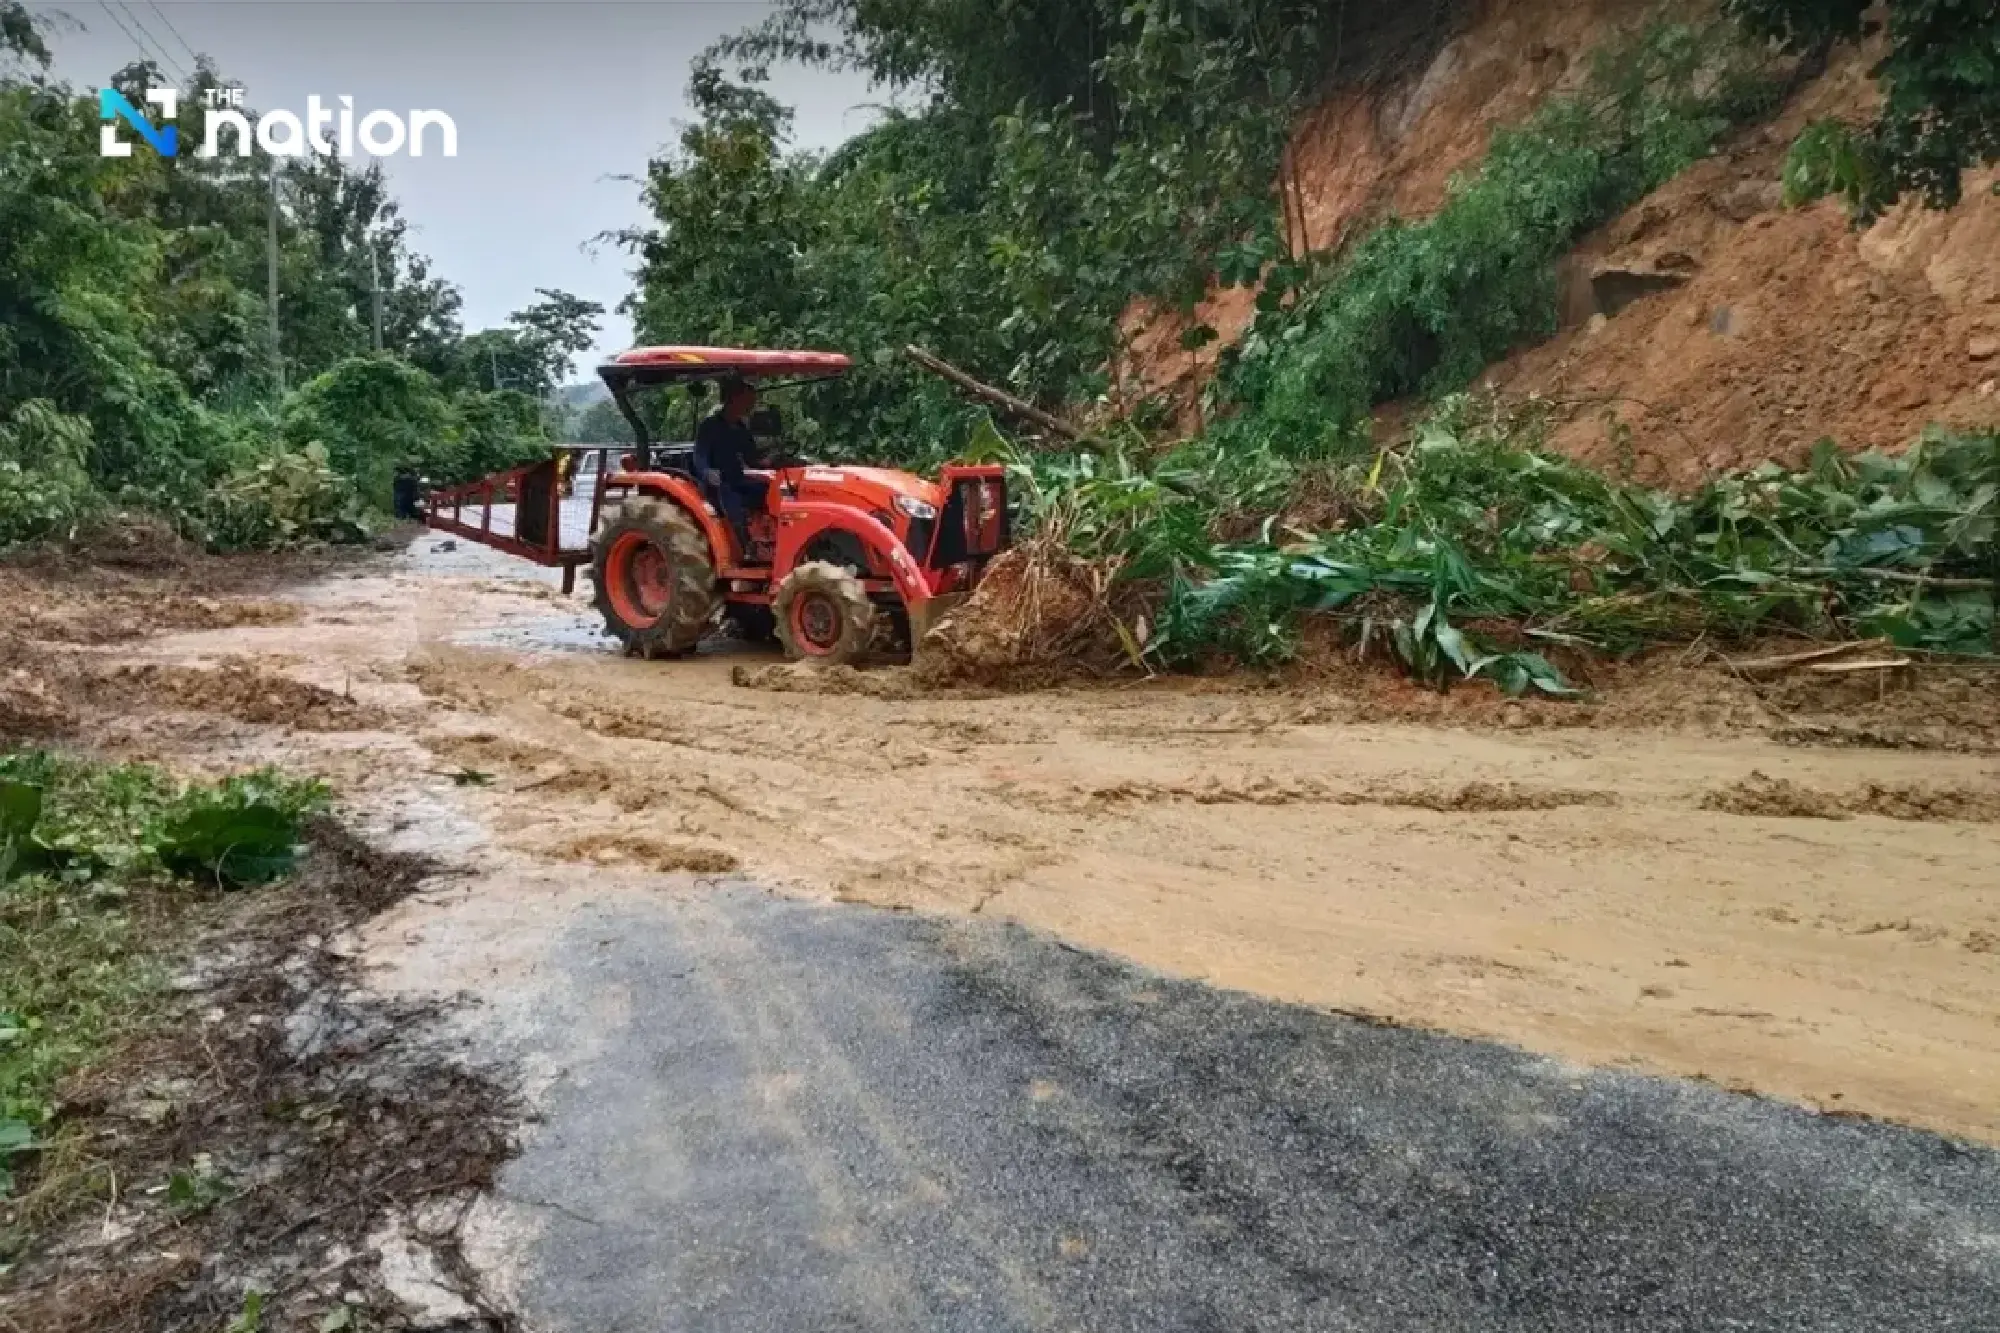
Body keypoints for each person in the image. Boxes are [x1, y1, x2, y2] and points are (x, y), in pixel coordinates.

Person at [693, 377, 769, 559]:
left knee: (768, 490)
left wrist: (771, 461)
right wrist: (707, 472)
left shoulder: (741, 428)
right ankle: (743, 550)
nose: (752, 405)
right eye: (748, 400)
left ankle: (765, 538)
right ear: (733, 399)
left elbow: (752, 459)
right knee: (733, 501)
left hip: (736, 478)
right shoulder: (710, 426)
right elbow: (699, 455)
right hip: (716, 483)